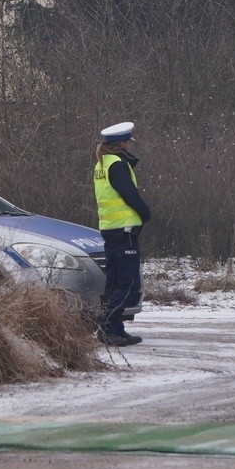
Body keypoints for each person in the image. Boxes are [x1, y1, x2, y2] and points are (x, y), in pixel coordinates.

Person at [93, 121, 151, 346]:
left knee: (115, 282)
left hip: (110, 229)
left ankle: (116, 329)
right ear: (123, 143)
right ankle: (107, 325)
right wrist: (145, 213)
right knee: (129, 285)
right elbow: (129, 195)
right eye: (129, 142)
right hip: (124, 230)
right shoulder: (117, 164)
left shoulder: (103, 163)